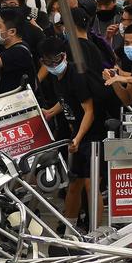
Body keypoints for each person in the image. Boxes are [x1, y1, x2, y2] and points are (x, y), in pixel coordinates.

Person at [40, 37, 106, 233]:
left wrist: (78, 137)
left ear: (64, 56)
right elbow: (67, 99)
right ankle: (70, 229)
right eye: (47, 62)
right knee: (74, 183)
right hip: (78, 135)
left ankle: (95, 232)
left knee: (91, 184)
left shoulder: (77, 75)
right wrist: (51, 112)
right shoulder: (57, 77)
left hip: (94, 136)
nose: (52, 65)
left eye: (56, 60)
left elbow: (89, 111)